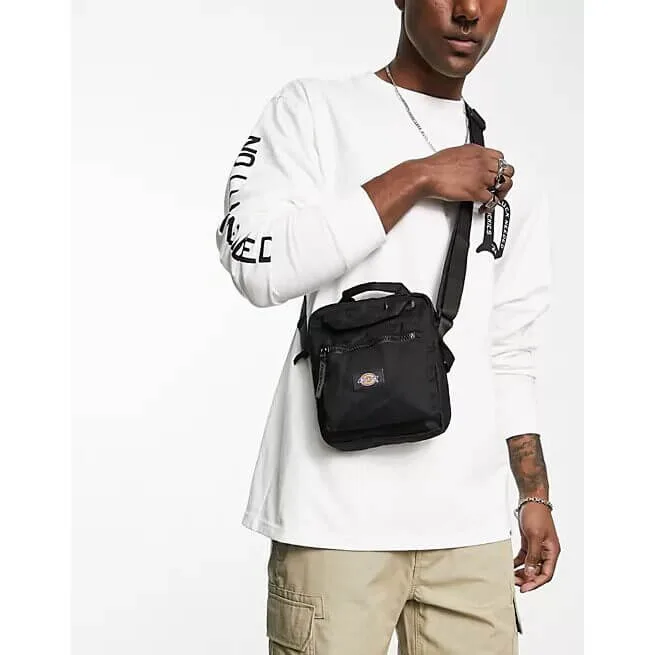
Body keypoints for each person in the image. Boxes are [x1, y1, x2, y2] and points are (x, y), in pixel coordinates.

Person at [216, 1, 561, 653]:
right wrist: (419, 176)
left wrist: (533, 496)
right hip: (332, 523)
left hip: (470, 530)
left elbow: (509, 345)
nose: (468, 11)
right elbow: (254, 263)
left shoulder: (509, 166)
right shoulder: (312, 111)